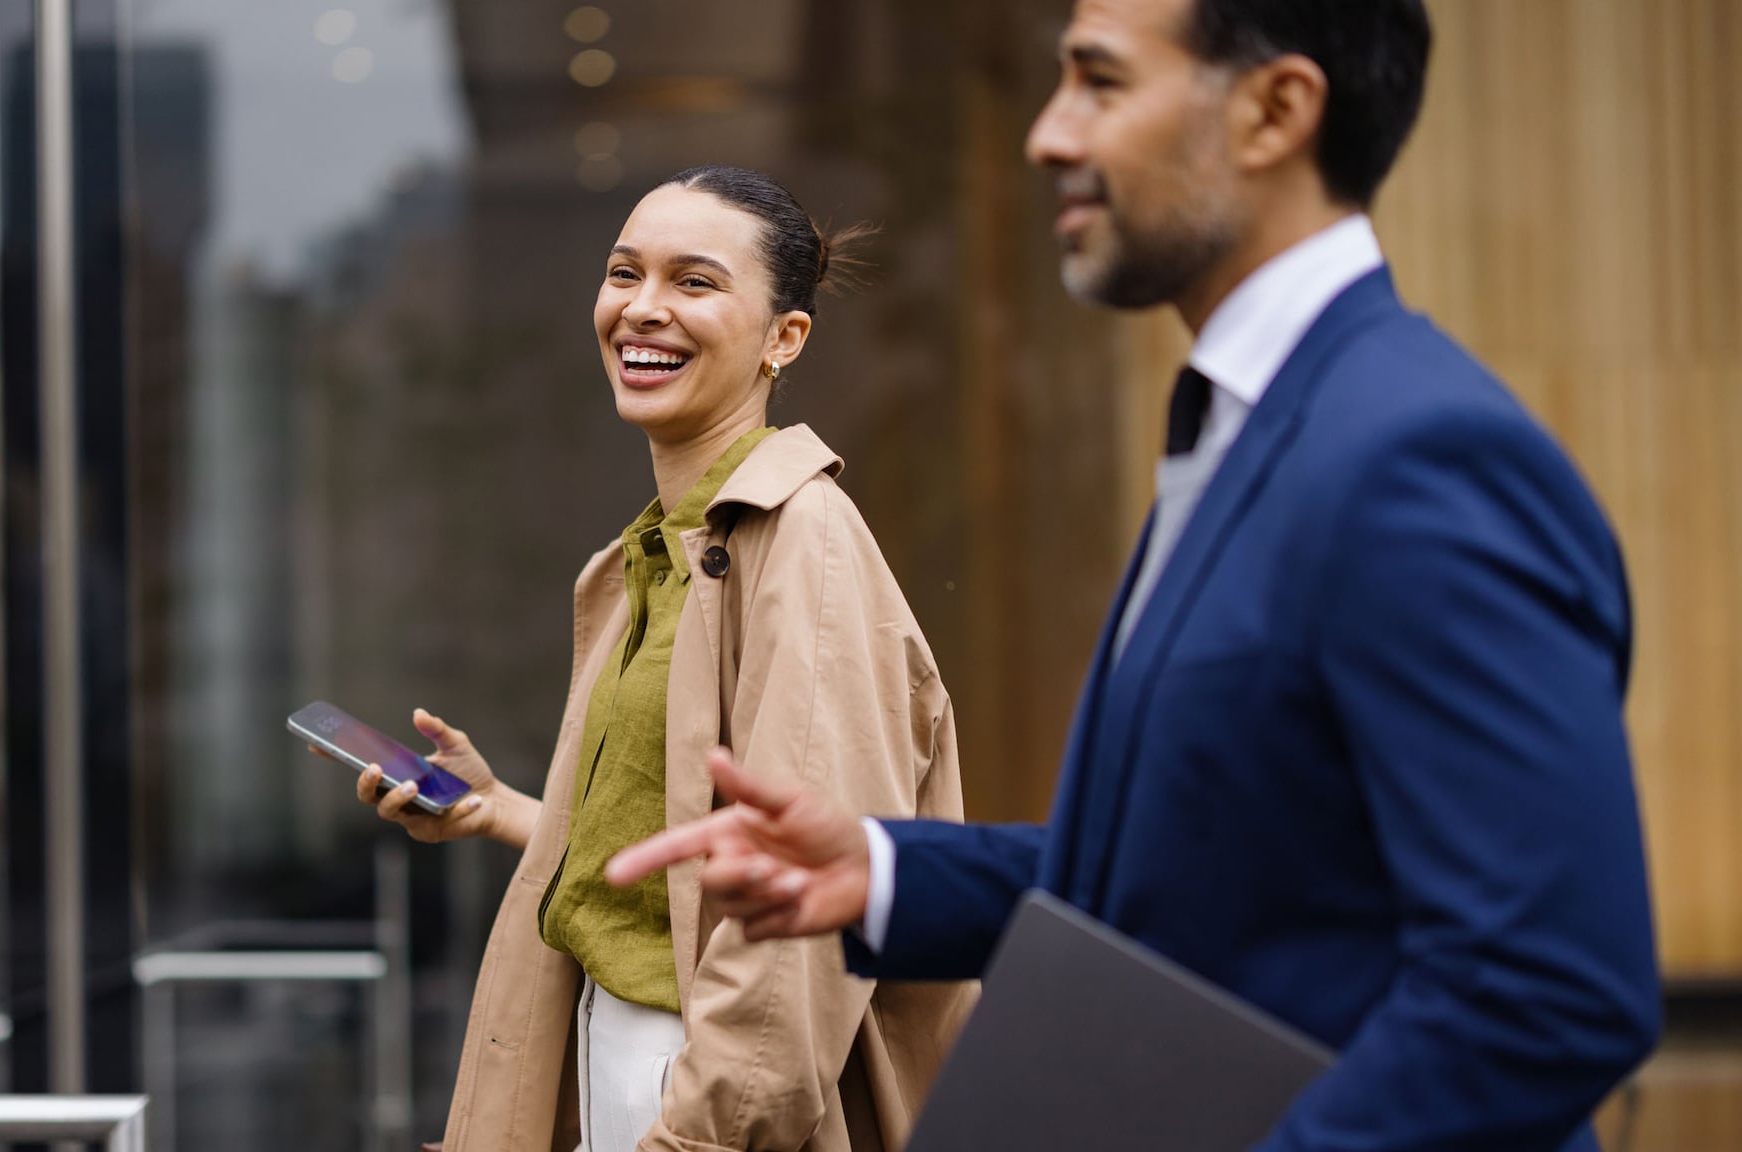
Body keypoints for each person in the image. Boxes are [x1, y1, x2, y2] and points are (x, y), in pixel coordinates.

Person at [608, 3, 1663, 1150]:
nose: (1046, 135)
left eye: (1098, 83)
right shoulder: (1254, 433)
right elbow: (1223, 878)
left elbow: (1546, 995)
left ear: (1273, 112)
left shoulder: (1418, 456)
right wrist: (886, 871)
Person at [348, 166, 975, 1152]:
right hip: (621, 1056)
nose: (641, 309)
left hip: (705, 1088)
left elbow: (798, 920)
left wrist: (695, 1137)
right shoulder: (655, 553)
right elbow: (682, 827)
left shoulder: (798, 540)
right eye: (622, 273)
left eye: (694, 282)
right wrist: (504, 808)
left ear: (784, 338)